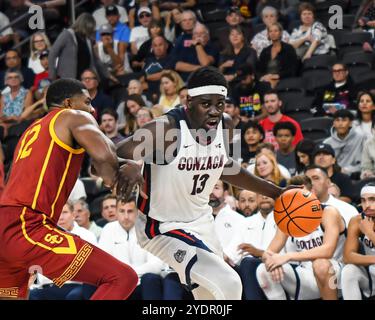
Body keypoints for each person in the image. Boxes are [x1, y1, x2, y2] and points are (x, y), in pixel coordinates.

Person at [117, 66, 297, 300]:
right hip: (162, 225)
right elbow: (113, 154)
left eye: (219, 104)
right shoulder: (166, 128)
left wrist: (276, 191)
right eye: (205, 104)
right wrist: (126, 163)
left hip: (202, 221)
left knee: (209, 295)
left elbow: (226, 167)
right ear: (188, 101)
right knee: (230, 284)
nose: (214, 111)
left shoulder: (227, 125)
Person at [0, 78, 142, 299]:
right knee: (122, 278)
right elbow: (105, 157)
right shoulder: (73, 116)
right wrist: (128, 169)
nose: (92, 109)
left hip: (6, 224)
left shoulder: (32, 129)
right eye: (87, 102)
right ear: (68, 103)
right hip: (27, 225)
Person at [256, 169, 346, 300]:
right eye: (292, 197)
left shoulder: (328, 212)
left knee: (320, 264)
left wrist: (288, 256)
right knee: (264, 269)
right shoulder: (288, 218)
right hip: (306, 274)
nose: (295, 200)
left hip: (335, 274)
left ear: (312, 193)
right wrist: (271, 261)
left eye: (299, 195)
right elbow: (268, 253)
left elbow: (328, 251)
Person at [99, 197, 165, 300]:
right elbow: (103, 263)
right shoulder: (108, 229)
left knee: (150, 278)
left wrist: (130, 274)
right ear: (116, 212)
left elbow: (156, 265)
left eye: (130, 211)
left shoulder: (148, 230)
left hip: (142, 282)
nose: (126, 216)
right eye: (122, 211)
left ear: (137, 212)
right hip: (118, 283)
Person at [225, 193, 278, 300]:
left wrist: (258, 253)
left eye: (269, 192)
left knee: (248, 262)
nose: (264, 196)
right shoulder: (246, 222)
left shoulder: (284, 219)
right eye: (260, 194)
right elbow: (229, 254)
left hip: (274, 265)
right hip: (248, 269)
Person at [341, 183, 375, 300]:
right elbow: (348, 256)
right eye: (364, 201)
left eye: (372, 200)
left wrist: (370, 233)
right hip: (371, 271)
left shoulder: (365, 227)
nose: (367, 205)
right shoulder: (357, 220)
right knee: (348, 270)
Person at [324, 109, 366, 178]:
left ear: (350, 123)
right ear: (333, 123)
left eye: (344, 120)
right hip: (332, 177)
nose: (340, 123)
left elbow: (365, 163)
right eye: (337, 120)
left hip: (355, 176)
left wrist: (347, 170)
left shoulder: (361, 138)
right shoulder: (327, 143)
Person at [257, 23, 298, 88]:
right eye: (270, 31)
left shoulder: (288, 48)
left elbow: (293, 70)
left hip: (283, 80)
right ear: (268, 34)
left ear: (280, 33)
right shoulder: (265, 51)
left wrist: (277, 76)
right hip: (266, 80)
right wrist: (263, 77)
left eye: (276, 31)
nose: (273, 33)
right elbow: (259, 70)